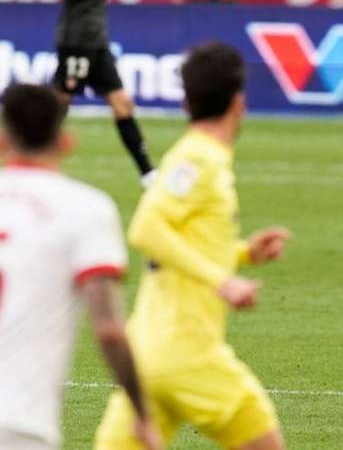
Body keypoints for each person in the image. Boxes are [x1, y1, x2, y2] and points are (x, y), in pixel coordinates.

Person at [95, 42, 291, 449]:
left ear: (185, 102)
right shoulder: (199, 160)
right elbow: (146, 229)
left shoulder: (195, 157)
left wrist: (242, 254)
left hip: (145, 354)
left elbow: (174, 242)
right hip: (188, 354)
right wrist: (224, 280)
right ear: (239, 103)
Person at [0, 84, 160, 450]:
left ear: (3, 139)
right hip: (19, 425)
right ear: (66, 140)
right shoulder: (86, 209)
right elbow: (109, 330)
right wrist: (142, 413)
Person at [53, 0, 155, 186]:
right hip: (76, 39)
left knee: (122, 104)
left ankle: (148, 174)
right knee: (58, 106)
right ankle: (35, 162)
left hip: (97, 40)